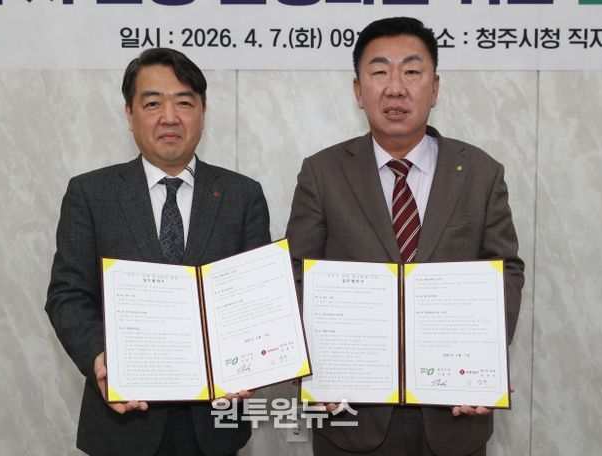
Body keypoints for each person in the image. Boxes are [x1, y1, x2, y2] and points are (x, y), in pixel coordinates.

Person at [286, 17, 524, 456]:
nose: (395, 88)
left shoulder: (480, 172)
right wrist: (311, 367)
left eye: (412, 72)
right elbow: (296, 274)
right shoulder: (322, 173)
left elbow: (505, 271)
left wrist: (483, 363)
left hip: (453, 415)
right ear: (358, 91)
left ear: (435, 89)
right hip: (351, 415)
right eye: (379, 72)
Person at [46, 47, 270, 456]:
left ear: (203, 111)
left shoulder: (242, 195)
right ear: (129, 114)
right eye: (152, 103)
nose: (170, 117)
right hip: (122, 422)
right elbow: (67, 295)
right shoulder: (91, 194)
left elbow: (256, 300)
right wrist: (100, 358)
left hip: (214, 424)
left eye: (184, 102)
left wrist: (253, 359)